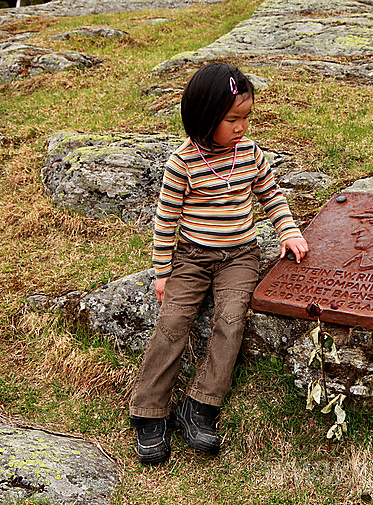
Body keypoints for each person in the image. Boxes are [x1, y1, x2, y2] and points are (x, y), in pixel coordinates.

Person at [129, 63, 309, 463]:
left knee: (231, 320)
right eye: (232, 120)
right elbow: (166, 220)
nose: (242, 127)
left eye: (246, 118)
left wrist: (288, 230)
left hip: (240, 256)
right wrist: (162, 272)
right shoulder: (183, 162)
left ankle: (201, 406)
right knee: (174, 321)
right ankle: (149, 411)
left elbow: (271, 195)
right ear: (205, 117)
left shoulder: (249, 154)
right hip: (191, 258)